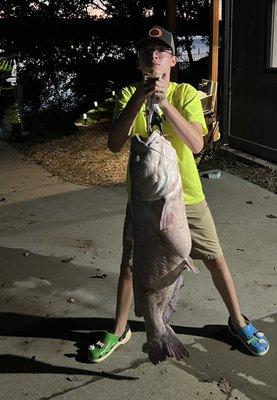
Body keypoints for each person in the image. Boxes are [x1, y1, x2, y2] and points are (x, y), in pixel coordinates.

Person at [87, 26, 269, 362]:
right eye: (146, 52)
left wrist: (165, 104)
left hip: (186, 198)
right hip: (142, 203)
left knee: (214, 259)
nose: (153, 56)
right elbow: (114, 145)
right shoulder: (128, 94)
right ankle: (120, 328)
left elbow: (198, 144)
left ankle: (239, 321)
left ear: (172, 60)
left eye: (160, 51)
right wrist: (141, 98)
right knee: (130, 266)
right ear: (140, 61)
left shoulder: (185, 94)